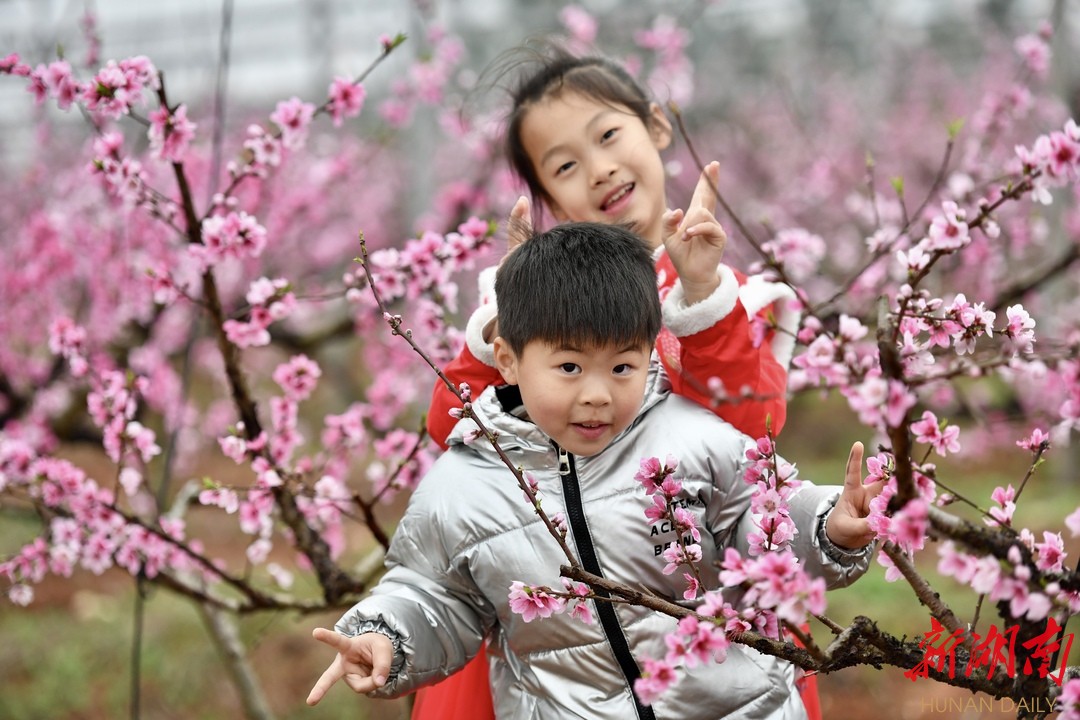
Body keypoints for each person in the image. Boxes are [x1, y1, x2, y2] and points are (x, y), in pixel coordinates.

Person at [308, 222, 879, 719]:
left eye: (623, 366)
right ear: (507, 359)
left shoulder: (693, 438)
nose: (598, 395)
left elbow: (763, 518)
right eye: (570, 366)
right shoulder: (463, 484)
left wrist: (828, 527)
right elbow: (434, 593)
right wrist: (384, 636)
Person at [418, 45, 809, 719]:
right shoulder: (539, 314)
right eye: (565, 165)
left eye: (608, 136)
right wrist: (504, 324)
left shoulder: (720, 294)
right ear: (545, 197)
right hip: (561, 633)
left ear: (656, 126)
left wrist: (702, 299)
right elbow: (450, 424)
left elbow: (755, 430)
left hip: (699, 620)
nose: (598, 169)